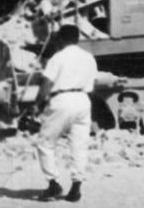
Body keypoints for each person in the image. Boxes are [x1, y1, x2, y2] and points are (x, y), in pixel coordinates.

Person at [35, 25, 98, 203]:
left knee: (45, 142)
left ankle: (53, 184)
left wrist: (37, 104)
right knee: (79, 145)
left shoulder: (58, 57)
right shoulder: (89, 58)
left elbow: (47, 83)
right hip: (83, 100)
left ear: (61, 39)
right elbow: (92, 83)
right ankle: (76, 188)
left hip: (62, 100)